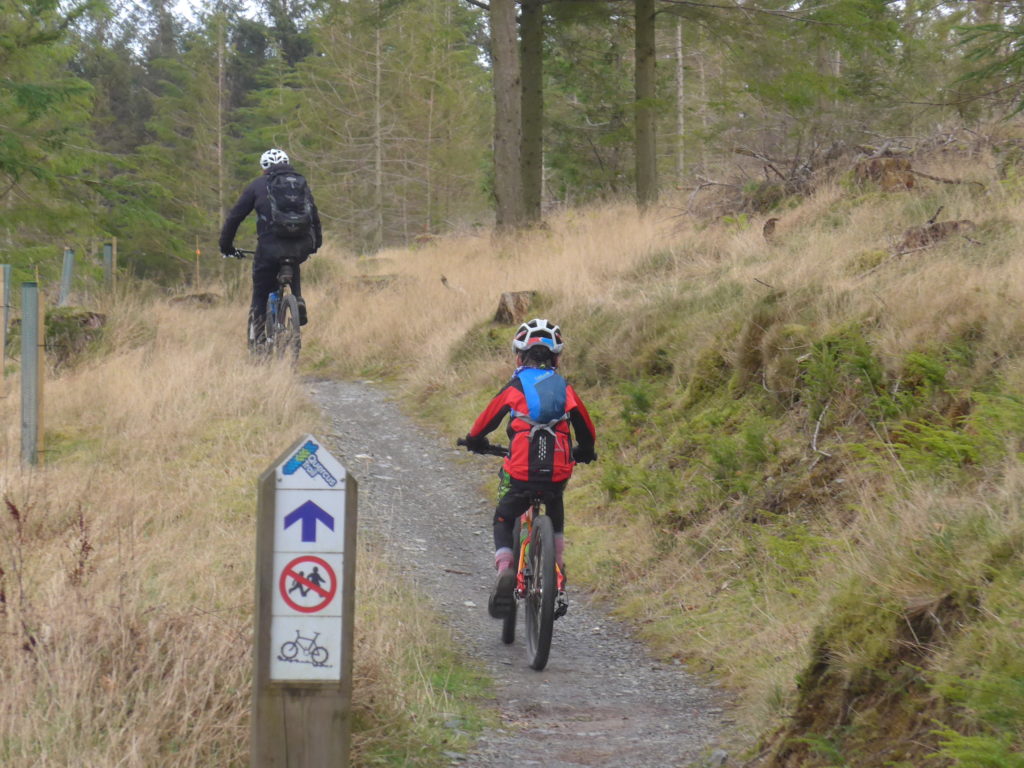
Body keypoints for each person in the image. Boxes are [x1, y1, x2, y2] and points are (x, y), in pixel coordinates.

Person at [462, 318, 597, 619]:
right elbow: (586, 428)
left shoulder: (515, 386)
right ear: (556, 358)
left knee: (503, 516)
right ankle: (557, 579)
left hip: (520, 471)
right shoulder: (565, 388)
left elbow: (487, 420)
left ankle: (506, 568)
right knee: (556, 511)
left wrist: (474, 440)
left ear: (519, 356)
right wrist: (586, 451)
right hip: (557, 473)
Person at [219, 148, 323, 342]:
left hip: (270, 248)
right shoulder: (300, 184)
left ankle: (258, 341)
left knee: (260, 292)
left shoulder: (257, 186)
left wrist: (226, 246)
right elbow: (314, 217)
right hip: (300, 246)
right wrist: (315, 244)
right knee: (293, 260)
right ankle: (297, 298)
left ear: (263, 169)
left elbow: (234, 218)